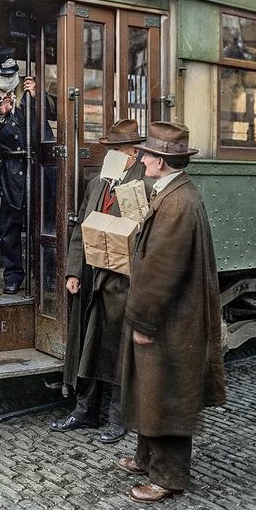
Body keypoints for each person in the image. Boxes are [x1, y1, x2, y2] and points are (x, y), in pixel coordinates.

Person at [116, 121, 226, 503]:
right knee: (153, 390)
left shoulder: (177, 202)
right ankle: (147, 458)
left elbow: (162, 270)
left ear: (161, 162)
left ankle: (167, 477)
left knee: (168, 395)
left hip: (169, 321)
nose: (141, 159)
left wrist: (144, 320)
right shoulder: (174, 193)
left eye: (146, 154)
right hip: (170, 318)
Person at [50, 119, 152, 443]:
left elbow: (147, 237)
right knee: (88, 345)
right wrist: (73, 271)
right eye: (109, 149)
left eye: (117, 150)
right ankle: (85, 411)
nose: (110, 155)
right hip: (93, 278)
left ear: (133, 154)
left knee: (120, 349)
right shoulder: (97, 183)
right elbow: (81, 229)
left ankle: (119, 418)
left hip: (124, 281)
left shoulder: (144, 186)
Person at [0, 46, 55, 294]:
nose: (11, 78)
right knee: (9, 226)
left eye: (14, 74)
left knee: (44, 223)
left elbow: (56, 112)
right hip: (10, 170)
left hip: (40, 168)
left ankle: (46, 275)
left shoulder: (29, 90)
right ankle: (13, 276)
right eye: (4, 74)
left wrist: (39, 96)